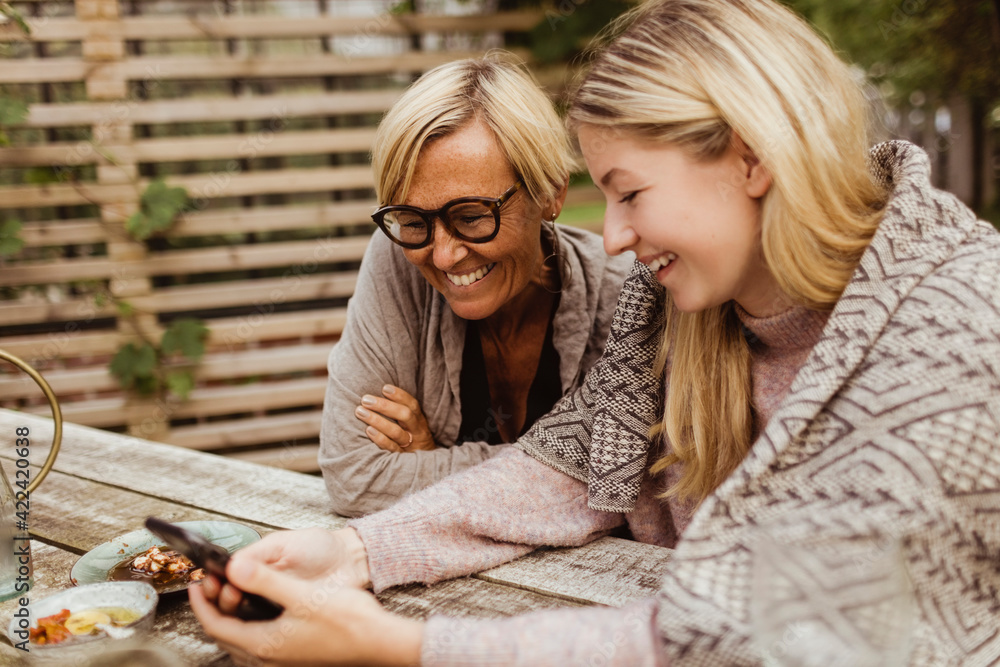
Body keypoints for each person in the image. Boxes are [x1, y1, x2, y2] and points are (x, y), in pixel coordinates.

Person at [191, 0, 1000, 664]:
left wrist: (404, 646)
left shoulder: (954, 330)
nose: (609, 236)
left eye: (628, 193)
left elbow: (754, 637)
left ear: (751, 160)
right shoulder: (680, 311)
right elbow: (576, 460)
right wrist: (359, 552)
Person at [318, 55, 631, 517]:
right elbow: (354, 477)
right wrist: (556, 471)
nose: (443, 255)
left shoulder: (627, 295)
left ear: (550, 193)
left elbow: (619, 491)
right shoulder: (395, 259)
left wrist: (431, 458)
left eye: (471, 216)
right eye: (413, 220)